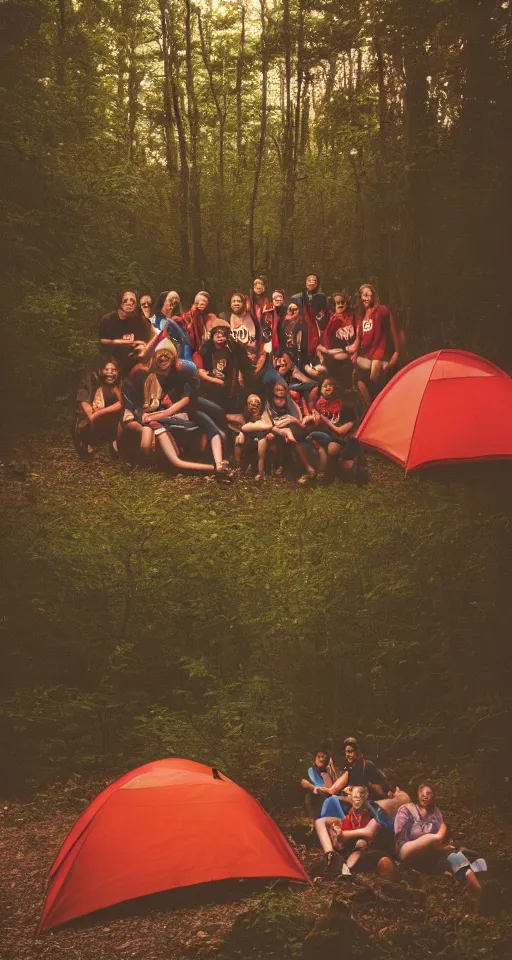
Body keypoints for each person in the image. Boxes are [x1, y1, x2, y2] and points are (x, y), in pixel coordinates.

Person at [121, 339, 232, 479]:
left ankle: (222, 460)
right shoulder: (148, 375)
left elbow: (184, 401)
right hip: (167, 409)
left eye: (167, 356)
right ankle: (217, 465)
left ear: (173, 357)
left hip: (188, 400)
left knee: (214, 416)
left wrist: (153, 416)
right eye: (159, 357)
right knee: (204, 422)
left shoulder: (186, 368)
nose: (162, 360)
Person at [354, 284, 404, 408]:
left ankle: (381, 407)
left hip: (380, 352)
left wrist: (396, 353)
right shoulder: (360, 315)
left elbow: (395, 331)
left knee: (374, 378)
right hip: (366, 355)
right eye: (363, 295)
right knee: (359, 381)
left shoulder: (382, 310)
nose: (366, 298)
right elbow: (359, 338)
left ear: (374, 296)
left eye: (369, 294)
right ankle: (369, 409)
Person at [315, 785, 381, 878]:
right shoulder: (352, 809)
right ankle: (330, 854)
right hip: (346, 832)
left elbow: (369, 832)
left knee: (360, 844)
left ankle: (346, 868)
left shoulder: (373, 809)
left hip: (357, 839)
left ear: (366, 795)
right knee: (320, 822)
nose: (358, 796)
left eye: (361, 793)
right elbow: (346, 821)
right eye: (355, 794)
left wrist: (344, 834)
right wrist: (338, 829)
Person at [193, 320, 245, 429]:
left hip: (228, 391)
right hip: (210, 390)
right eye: (217, 334)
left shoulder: (232, 349)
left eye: (223, 334)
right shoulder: (205, 350)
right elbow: (199, 370)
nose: (220, 337)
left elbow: (241, 366)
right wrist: (213, 379)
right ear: (212, 335)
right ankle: (229, 418)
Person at [320, 738, 390, 818]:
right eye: (346, 752)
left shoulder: (366, 766)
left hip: (369, 803)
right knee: (331, 800)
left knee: (332, 801)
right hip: (356, 801)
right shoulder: (351, 768)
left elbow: (366, 793)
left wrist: (344, 794)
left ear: (357, 752)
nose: (348, 755)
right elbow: (337, 787)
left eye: (351, 752)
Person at [302, 378, 356, 479]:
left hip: (337, 439)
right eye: (324, 386)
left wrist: (323, 418)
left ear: (335, 388)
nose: (327, 387)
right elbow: (310, 405)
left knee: (333, 448)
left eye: (329, 385)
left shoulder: (346, 408)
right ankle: (320, 471)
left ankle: (332, 470)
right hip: (320, 435)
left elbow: (340, 431)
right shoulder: (319, 405)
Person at [265, 382, 317, 484]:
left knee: (290, 434)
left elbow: (301, 423)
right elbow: (270, 424)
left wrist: (292, 420)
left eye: (282, 396)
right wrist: (282, 427)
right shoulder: (267, 406)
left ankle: (307, 469)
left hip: (296, 429)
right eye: (277, 396)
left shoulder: (291, 404)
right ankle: (285, 469)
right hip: (277, 431)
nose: (280, 399)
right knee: (273, 436)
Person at [74, 358, 122, 460]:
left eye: (113, 370)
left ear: (117, 371)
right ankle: (87, 446)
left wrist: (99, 413)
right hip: (95, 419)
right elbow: (84, 399)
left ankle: (115, 446)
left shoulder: (120, 384)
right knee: (82, 425)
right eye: (106, 369)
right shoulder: (96, 384)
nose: (110, 373)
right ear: (101, 371)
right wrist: (92, 414)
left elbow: (123, 403)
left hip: (113, 419)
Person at [98, 290, 153, 374]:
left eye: (132, 301)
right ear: (120, 303)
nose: (129, 303)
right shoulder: (107, 320)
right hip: (109, 358)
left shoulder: (139, 321)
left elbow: (143, 342)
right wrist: (121, 342)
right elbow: (102, 341)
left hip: (131, 360)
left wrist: (139, 346)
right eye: (126, 300)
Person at [313, 292, 359, 387]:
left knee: (346, 366)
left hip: (352, 350)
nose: (341, 305)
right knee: (331, 363)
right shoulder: (332, 318)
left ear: (347, 303)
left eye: (343, 302)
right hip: (337, 351)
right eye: (337, 303)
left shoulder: (353, 316)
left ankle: (349, 389)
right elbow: (326, 337)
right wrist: (334, 318)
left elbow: (358, 335)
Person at [221, 292, 265, 390]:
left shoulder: (253, 317)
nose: (236, 303)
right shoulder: (225, 317)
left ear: (244, 303)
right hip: (232, 357)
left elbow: (260, 338)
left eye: (239, 301)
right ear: (230, 304)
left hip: (251, 357)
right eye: (234, 301)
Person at [291, 273, 330, 362]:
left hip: (317, 329)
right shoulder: (297, 297)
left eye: (314, 281)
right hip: (302, 329)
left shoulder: (323, 298)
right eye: (309, 280)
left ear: (318, 283)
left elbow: (326, 316)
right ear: (305, 283)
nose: (311, 283)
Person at [300, 748, 337, 822]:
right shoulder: (311, 770)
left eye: (323, 757)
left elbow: (330, 787)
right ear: (315, 758)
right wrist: (313, 787)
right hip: (315, 796)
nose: (321, 759)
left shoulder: (329, 769)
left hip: (328, 796)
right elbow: (303, 781)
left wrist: (330, 767)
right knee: (309, 797)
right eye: (318, 757)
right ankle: (315, 822)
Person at [152, 291, 192, 358]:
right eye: (170, 300)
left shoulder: (180, 320)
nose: (174, 302)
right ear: (163, 302)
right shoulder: (157, 318)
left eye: (176, 300)